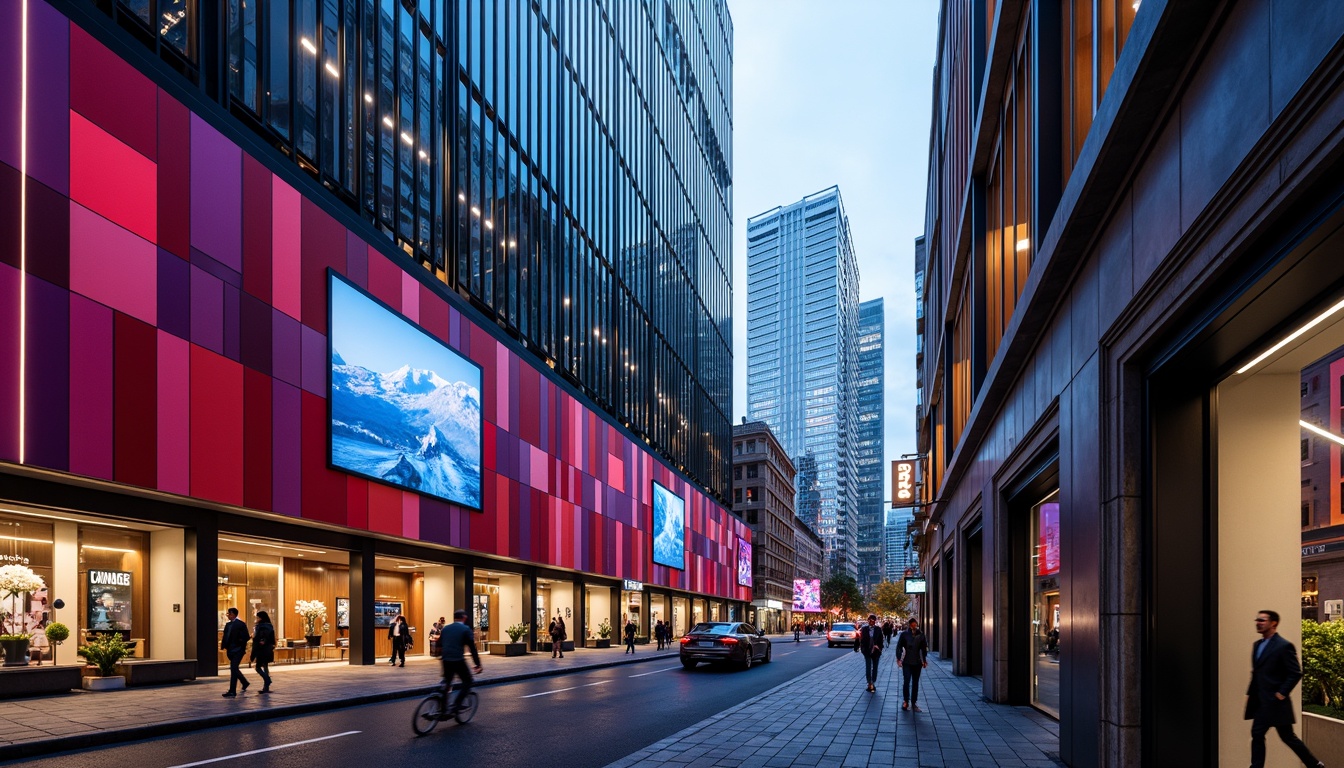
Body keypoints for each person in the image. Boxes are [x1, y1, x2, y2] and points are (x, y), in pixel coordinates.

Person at [1245, 610, 1325, 768]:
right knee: (1257, 734)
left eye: (1262, 620)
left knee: (1288, 737)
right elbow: (1257, 673)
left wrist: (1281, 693)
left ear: (1273, 623)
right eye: (1257, 620)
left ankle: (1315, 765)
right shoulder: (1257, 645)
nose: (1258, 623)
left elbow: (1295, 673)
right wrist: (1250, 694)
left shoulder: (1283, 646)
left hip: (1276, 703)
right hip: (1262, 703)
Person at [439, 609, 482, 715]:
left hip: (445, 660)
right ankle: (456, 706)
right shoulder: (465, 629)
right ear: (464, 618)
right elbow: (472, 649)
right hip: (457, 659)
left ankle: (443, 708)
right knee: (468, 681)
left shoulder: (446, 628)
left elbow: (439, 644)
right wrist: (477, 664)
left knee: (447, 682)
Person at [895, 617, 929, 711]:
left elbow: (923, 648)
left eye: (915, 624)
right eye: (912, 624)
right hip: (907, 662)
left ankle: (914, 703)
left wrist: (924, 660)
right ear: (909, 625)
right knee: (906, 681)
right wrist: (898, 658)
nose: (914, 626)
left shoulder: (921, 635)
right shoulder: (905, 635)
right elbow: (899, 647)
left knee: (915, 682)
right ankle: (906, 701)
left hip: (917, 662)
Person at [220, 607, 250, 697]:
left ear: (233, 614)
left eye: (228, 614)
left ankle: (232, 690)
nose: (228, 615)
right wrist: (224, 645)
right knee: (234, 668)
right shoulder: (228, 625)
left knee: (233, 668)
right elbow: (225, 636)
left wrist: (239, 644)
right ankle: (244, 682)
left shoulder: (241, 624)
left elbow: (246, 637)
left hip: (238, 650)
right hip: (230, 649)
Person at [854, 613, 885, 693]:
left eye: (873, 620)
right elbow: (859, 638)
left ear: (875, 621)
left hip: (876, 651)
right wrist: (858, 647)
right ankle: (869, 682)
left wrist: (879, 647)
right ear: (868, 621)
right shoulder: (864, 629)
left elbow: (881, 640)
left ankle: (873, 681)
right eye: (870, 620)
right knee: (868, 666)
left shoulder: (878, 629)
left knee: (875, 667)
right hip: (867, 651)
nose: (872, 622)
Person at [250, 610, 276, 694]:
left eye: (257, 617)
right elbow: (271, 638)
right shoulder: (269, 626)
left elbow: (261, 637)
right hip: (268, 649)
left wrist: (254, 637)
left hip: (261, 649)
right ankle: (266, 687)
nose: (256, 619)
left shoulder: (261, 626)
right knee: (265, 666)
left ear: (261, 618)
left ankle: (267, 680)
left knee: (258, 667)